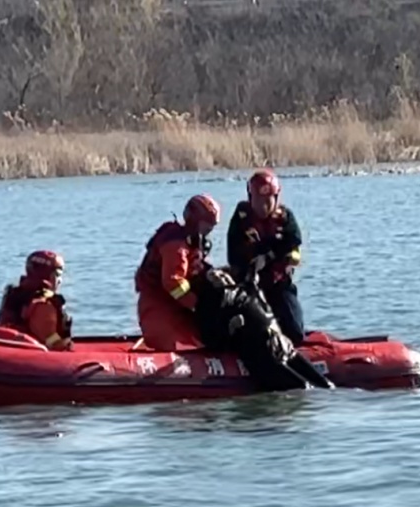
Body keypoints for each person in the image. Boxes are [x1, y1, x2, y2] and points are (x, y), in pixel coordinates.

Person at [192, 266, 333, 392]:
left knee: (325, 385)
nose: (219, 277)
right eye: (213, 277)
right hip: (260, 350)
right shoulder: (212, 302)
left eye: (222, 274)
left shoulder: (245, 289)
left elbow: (263, 303)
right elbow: (211, 338)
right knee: (301, 387)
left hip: (278, 342)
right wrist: (230, 328)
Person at [226, 168, 306, 346]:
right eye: (260, 200)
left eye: (269, 199)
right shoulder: (241, 217)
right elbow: (233, 254)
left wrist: (268, 256)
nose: (264, 205)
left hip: (278, 284)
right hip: (250, 287)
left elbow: (294, 239)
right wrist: (248, 268)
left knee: (295, 332)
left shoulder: (284, 217)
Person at [134, 194, 221, 351]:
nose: (207, 232)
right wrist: (197, 305)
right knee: (184, 348)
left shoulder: (191, 245)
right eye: (206, 227)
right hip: (159, 309)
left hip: (178, 309)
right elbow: (173, 282)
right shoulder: (175, 245)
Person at [0, 250, 73, 351]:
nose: (60, 280)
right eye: (58, 274)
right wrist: (66, 345)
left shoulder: (16, 294)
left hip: (7, 347)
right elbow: (50, 341)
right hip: (31, 356)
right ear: (50, 275)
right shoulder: (43, 304)